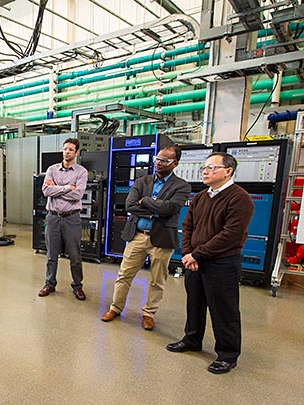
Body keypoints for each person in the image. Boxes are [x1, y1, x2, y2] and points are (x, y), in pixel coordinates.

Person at [166, 152, 254, 374]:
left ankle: (227, 355)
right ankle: (192, 339)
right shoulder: (202, 197)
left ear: (228, 171)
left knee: (224, 310)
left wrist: (198, 254)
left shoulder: (239, 198)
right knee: (194, 304)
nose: (205, 171)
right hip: (195, 260)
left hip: (221, 263)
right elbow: (187, 226)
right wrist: (188, 253)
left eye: (212, 168)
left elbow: (230, 235)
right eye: (204, 168)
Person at [101, 145, 190, 330]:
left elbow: (170, 208)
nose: (158, 163)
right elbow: (130, 205)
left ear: (175, 164)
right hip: (137, 236)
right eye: (157, 159)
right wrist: (153, 211)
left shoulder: (182, 186)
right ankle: (115, 308)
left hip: (162, 238)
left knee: (157, 280)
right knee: (124, 274)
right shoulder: (142, 181)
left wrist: (147, 201)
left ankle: (149, 313)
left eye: (164, 160)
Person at [38, 138, 88, 300]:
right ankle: (49, 283)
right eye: (65, 149)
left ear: (77, 153)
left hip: (71, 218)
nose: (67, 152)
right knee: (51, 254)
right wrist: (67, 187)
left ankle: (77, 286)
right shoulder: (52, 169)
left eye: (71, 149)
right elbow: (46, 191)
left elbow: (78, 195)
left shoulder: (81, 172)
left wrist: (56, 189)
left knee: (74, 255)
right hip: (53, 218)